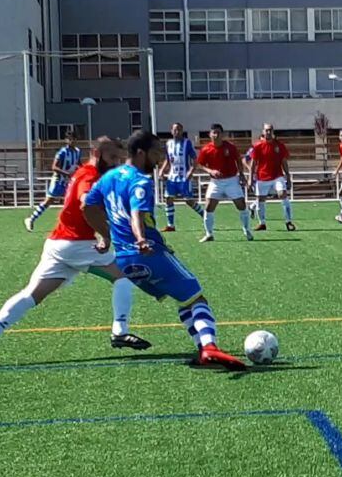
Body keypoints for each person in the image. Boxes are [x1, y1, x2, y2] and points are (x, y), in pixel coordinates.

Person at [0, 137, 151, 366]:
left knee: (33, 295)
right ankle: (120, 331)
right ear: (97, 154)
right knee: (124, 276)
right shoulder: (89, 176)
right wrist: (107, 235)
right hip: (76, 244)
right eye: (112, 158)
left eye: (119, 159)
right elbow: (87, 204)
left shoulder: (84, 173)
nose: (115, 163)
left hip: (58, 244)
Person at [83, 130, 246, 371]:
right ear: (141, 153)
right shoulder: (140, 180)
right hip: (149, 254)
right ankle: (209, 346)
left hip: (124, 261)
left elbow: (87, 207)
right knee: (197, 297)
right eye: (156, 152)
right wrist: (141, 239)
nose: (160, 158)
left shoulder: (109, 177)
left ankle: (203, 350)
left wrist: (105, 236)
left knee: (183, 300)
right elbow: (137, 214)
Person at [196, 124, 252, 242]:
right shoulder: (206, 149)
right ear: (210, 134)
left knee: (241, 205)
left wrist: (241, 174)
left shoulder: (230, 147)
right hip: (216, 182)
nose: (216, 135)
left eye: (218, 132)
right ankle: (209, 234)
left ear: (222, 134)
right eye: (214, 132)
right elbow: (199, 164)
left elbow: (238, 160)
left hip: (232, 180)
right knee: (208, 206)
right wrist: (211, 171)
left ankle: (247, 230)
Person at [24, 129, 82, 232]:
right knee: (49, 201)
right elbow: (54, 167)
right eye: (69, 139)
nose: (71, 141)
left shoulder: (77, 151)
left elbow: (79, 164)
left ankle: (71, 225)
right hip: (58, 180)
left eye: (73, 139)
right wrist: (67, 174)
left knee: (73, 201)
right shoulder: (62, 152)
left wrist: (82, 172)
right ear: (66, 140)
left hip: (69, 181)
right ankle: (31, 219)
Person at [247, 123, 295, 231]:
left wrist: (288, 176)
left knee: (282, 194)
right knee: (260, 200)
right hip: (262, 177)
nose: (268, 132)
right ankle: (262, 223)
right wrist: (250, 178)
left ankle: (288, 221)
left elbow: (284, 161)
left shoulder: (279, 145)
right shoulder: (257, 146)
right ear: (263, 131)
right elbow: (253, 163)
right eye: (266, 130)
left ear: (273, 131)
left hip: (277, 176)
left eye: (270, 130)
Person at [158, 122, 205, 232]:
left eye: (179, 129)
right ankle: (170, 225)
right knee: (168, 198)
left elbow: (195, 159)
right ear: (171, 131)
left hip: (184, 177)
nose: (177, 132)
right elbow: (167, 160)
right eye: (175, 129)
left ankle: (205, 215)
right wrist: (161, 170)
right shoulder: (168, 143)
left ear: (182, 131)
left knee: (188, 201)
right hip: (172, 177)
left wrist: (191, 171)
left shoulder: (187, 143)